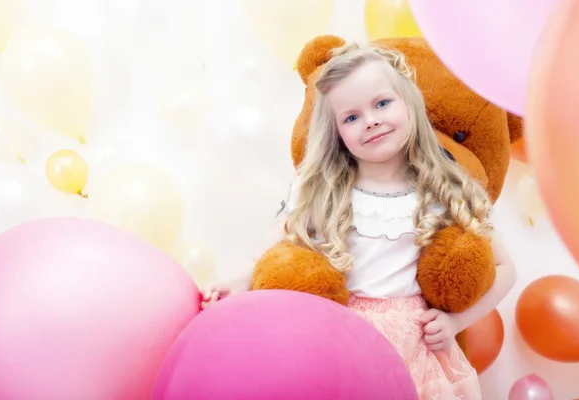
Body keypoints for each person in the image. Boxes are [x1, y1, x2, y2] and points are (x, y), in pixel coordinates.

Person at [201, 41, 517, 399]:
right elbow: (272, 253)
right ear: (336, 132)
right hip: (339, 343)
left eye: (382, 103)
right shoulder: (323, 191)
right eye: (351, 117)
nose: (372, 121)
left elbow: (506, 269)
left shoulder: (444, 190)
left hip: (415, 351)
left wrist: (456, 321)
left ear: (409, 102)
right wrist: (237, 284)